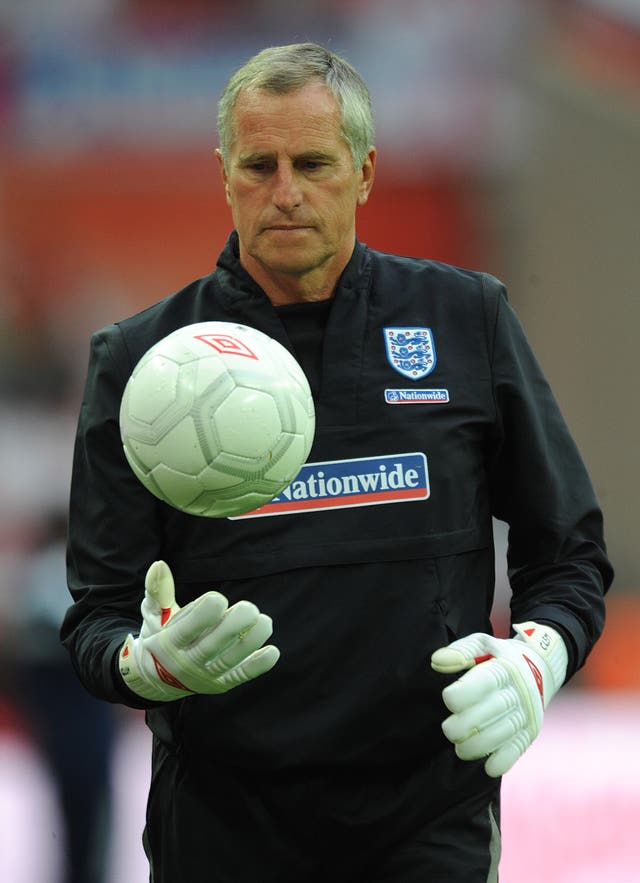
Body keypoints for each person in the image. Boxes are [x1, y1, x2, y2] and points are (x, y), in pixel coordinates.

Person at [61, 43, 613, 883]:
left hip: (427, 816)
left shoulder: (466, 318)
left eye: (313, 162)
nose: (285, 192)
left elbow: (569, 550)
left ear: (363, 171)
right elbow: (96, 614)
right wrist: (144, 664)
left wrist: (541, 655)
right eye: (260, 165)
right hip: (223, 822)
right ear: (224, 174)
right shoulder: (141, 363)